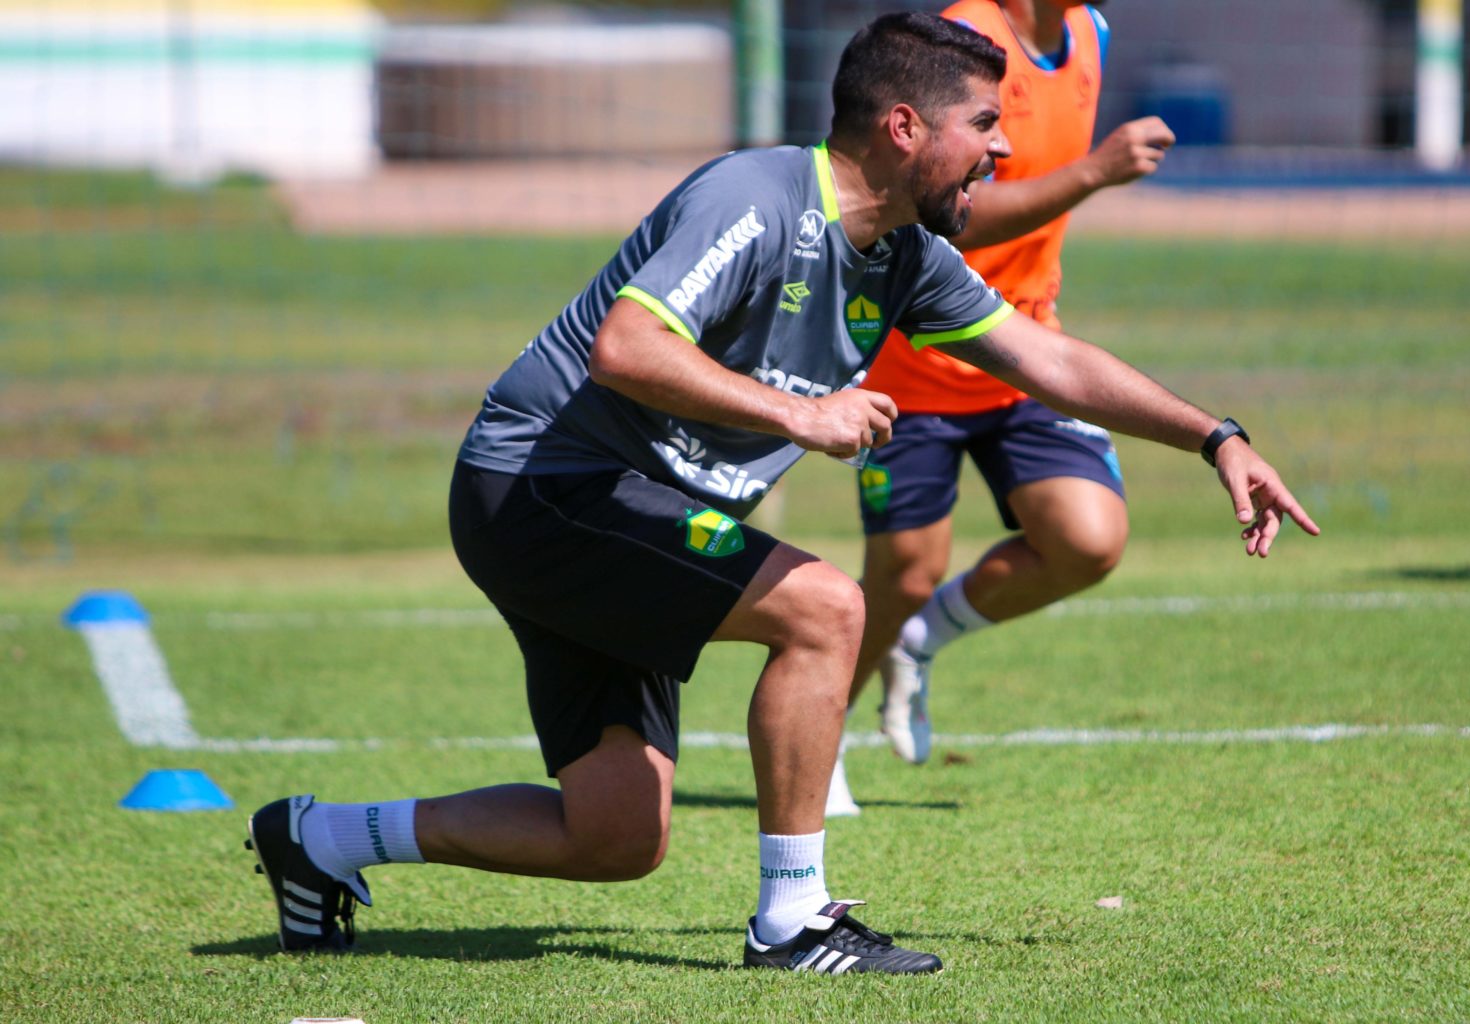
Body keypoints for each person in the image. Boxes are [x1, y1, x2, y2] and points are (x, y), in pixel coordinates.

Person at [244, 12, 1316, 974]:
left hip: (621, 506)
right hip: (544, 483)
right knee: (828, 605)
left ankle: (320, 837)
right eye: (985, 124)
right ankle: (794, 922)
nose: (1002, 146)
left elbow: (1052, 366)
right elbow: (626, 345)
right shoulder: (753, 200)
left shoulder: (905, 254)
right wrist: (800, 413)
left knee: (617, 836)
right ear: (903, 127)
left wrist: (1214, 436)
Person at [826, 0, 1179, 816]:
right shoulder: (967, 35)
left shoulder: (1090, 33)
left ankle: (921, 642)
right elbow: (958, 220)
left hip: (1025, 349)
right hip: (914, 363)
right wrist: (1097, 171)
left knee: (1088, 541)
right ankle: (824, 735)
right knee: (905, 571)